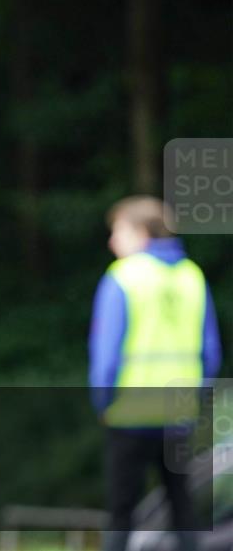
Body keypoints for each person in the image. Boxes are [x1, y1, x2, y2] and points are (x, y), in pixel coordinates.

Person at [89, 196, 222, 551]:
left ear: (140, 233)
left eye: (117, 231)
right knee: (182, 507)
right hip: (179, 412)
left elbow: (105, 358)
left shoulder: (124, 277)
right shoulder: (192, 276)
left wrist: (103, 403)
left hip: (130, 412)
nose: (112, 242)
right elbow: (211, 355)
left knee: (122, 510)